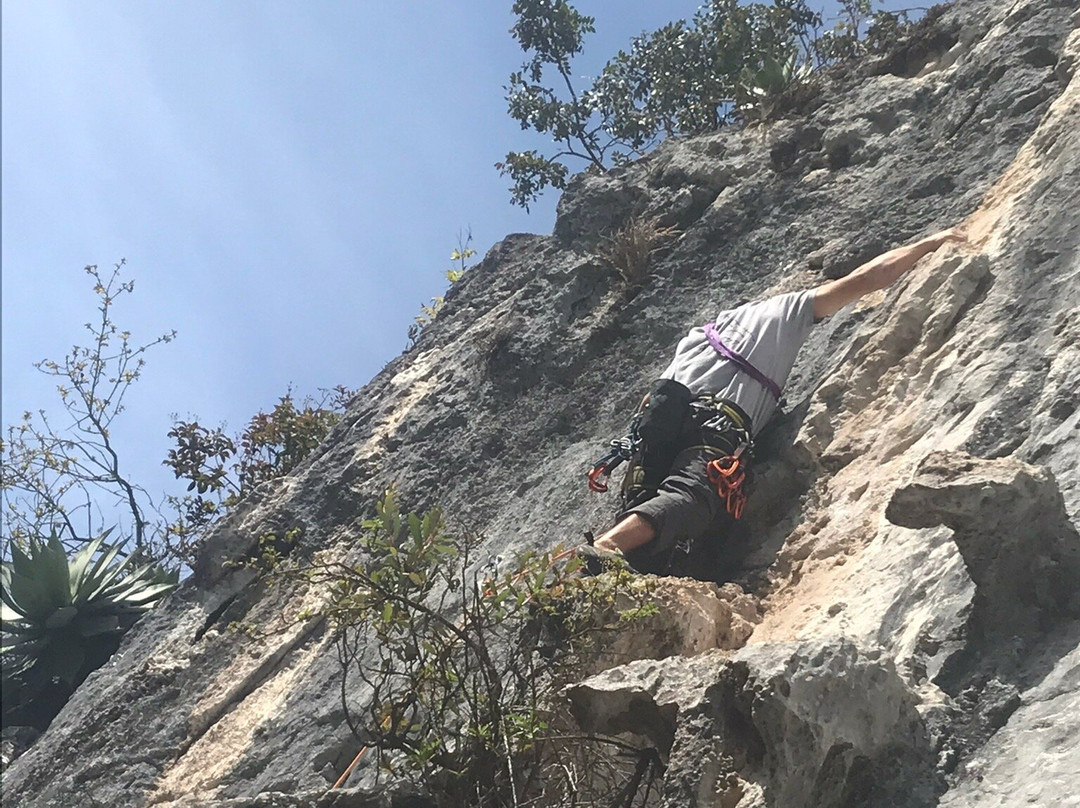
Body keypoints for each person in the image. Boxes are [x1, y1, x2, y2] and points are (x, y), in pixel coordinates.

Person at [581, 227, 968, 575]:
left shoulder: (699, 336)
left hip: (660, 419)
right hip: (715, 425)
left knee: (644, 512)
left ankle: (594, 566)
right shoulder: (783, 312)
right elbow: (866, 278)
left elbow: (652, 400)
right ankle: (609, 546)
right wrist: (928, 244)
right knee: (691, 499)